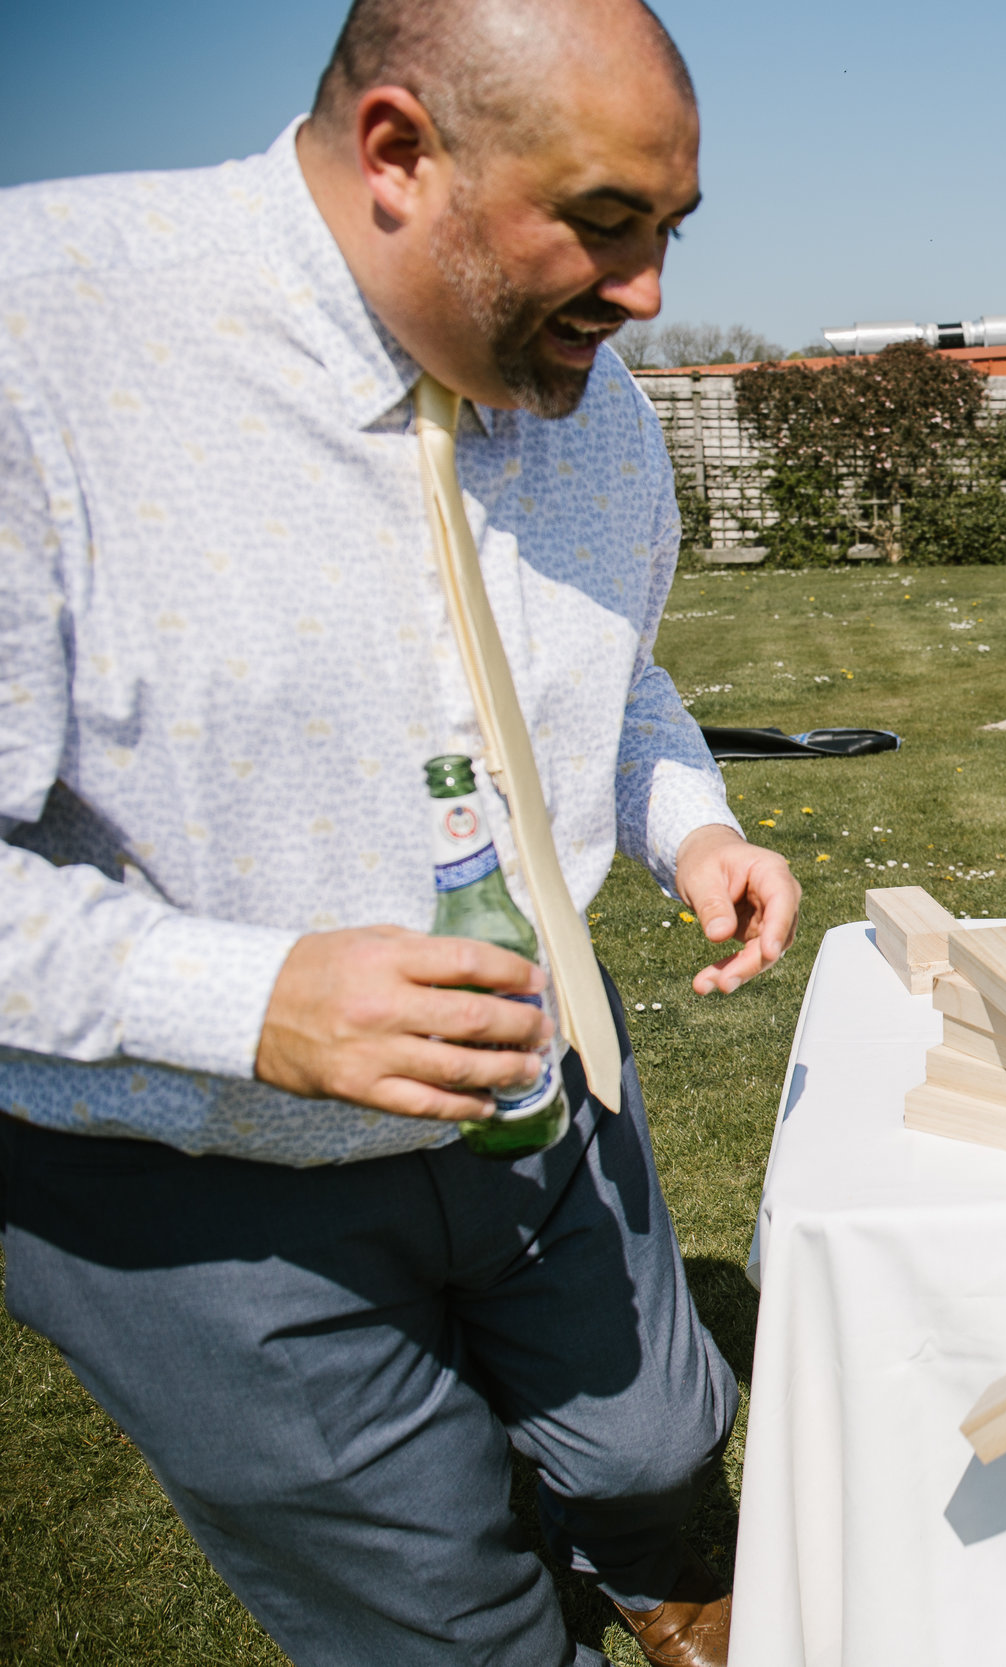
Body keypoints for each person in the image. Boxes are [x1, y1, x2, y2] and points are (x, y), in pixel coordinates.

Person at [0, 3, 799, 1663]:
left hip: (547, 1096)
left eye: (667, 232)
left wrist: (690, 824)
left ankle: (668, 1583)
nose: (646, 294)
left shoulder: (601, 406)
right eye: (602, 224)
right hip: (184, 1180)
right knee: (447, 1616)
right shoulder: (37, 343)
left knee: (656, 1435)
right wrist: (247, 999)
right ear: (397, 153)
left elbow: (607, 675)